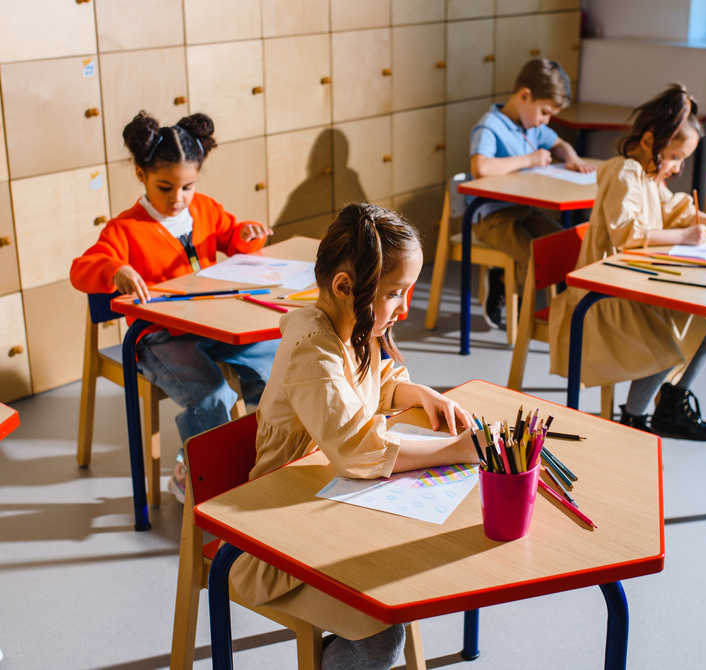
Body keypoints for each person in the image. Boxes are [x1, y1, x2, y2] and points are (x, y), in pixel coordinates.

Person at [230, 203, 479, 670]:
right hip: (279, 536)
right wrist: (460, 449)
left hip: (330, 506)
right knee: (381, 635)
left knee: (410, 576)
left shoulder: (351, 325)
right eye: (395, 293)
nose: (405, 309)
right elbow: (356, 451)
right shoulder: (312, 346)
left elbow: (372, 385)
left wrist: (418, 392)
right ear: (345, 286)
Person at [69, 111, 275, 503]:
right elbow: (81, 270)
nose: (176, 199)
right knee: (213, 396)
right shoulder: (124, 229)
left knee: (276, 363)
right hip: (158, 338)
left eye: (187, 187)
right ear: (140, 174)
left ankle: (264, 453)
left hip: (212, 323)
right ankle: (195, 471)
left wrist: (246, 235)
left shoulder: (205, 210)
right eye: (165, 186)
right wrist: (117, 269)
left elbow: (233, 239)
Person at [548, 85, 706, 441]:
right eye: (676, 157)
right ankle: (633, 419)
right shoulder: (622, 172)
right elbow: (627, 233)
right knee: (669, 336)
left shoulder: (646, 174)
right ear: (650, 141)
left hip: (632, 286)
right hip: (603, 298)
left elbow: (676, 208)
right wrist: (683, 237)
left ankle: (671, 403)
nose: (678, 168)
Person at [469, 57, 595, 330]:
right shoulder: (491, 125)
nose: (546, 121)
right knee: (532, 256)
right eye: (545, 113)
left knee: (564, 243)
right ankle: (516, 308)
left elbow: (558, 142)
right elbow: (480, 166)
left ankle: (556, 308)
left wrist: (571, 157)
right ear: (524, 96)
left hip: (524, 209)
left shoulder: (532, 125)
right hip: (491, 216)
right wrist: (528, 159)